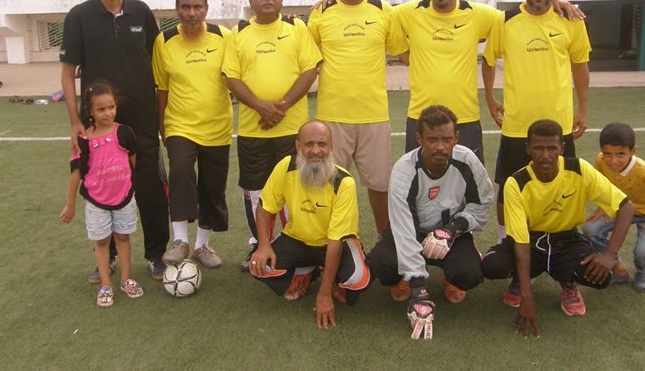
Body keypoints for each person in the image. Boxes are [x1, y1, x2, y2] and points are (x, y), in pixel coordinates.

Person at [59, 0, 170, 282]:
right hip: (99, 125)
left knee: (150, 189)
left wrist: (161, 116)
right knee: (102, 188)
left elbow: (158, 65)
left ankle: (156, 254)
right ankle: (106, 259)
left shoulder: (141, 12)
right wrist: (76, 122)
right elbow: (67, 74)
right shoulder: (79, 16)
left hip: (142, 120)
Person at [481, 119, 635, 339]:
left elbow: (626, 207)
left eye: (552, 148)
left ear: (562, 148)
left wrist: (610, 255)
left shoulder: (579, 169)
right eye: (538, 148)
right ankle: (521, 279)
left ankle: (568, 280)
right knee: (491, 266)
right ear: (528, 149)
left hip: (567, 241)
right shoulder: (516, 183)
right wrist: (527, 296)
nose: (545, 155)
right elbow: (521, 241)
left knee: (601, 278)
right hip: (530, 242)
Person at [482, 0, 591, 243]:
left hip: (559, 123)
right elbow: (489, 60)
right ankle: (506, 241)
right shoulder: (506, 21)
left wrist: (583, 109)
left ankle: (563, 242)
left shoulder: (571, 20)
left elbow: (580, 65)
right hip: (517, 125)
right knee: (509, 187)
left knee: (564, 185)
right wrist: (490, 97)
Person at [222, 0, 322, 272]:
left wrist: (282, 106)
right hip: (253, 130)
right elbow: (231, 77)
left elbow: (310, 70)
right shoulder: (238, 33)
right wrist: (260, 106)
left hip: (292, 130)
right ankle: (260, 245)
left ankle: (295, 247)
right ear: (250, 1)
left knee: (296, 190)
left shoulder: (297, 28)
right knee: (255, 191)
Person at [368, 105, 493, 338]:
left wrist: (455, 228)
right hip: (412, 231)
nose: (440, 147)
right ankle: (408, 275)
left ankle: (452, 276)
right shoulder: (404, 170)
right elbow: (403, 229)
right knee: (381, 264)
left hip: (451, 233)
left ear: (456, 138)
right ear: (419, 139)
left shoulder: (467, 160)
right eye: (432, 139)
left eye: (447, 139)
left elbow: (483, 203)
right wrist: (419, 291)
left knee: (469, 274)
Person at [307, 0, 409, 236]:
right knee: (329, 186)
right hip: (332, 117)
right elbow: (306, 58)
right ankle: (330, 242)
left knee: (379, 185)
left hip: (373, 116)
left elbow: (406, 53)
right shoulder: (321, 13)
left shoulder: (384, 11)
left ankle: (385, 240)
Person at [249, 121, 372, 329]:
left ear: (331, 146)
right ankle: (306, 272)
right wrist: (263, 245)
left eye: (322, 144)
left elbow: (335, 240)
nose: (316, 151)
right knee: (258, 265)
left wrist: (324, 295)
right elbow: (264, 207)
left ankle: (332, 280)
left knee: (358, 280)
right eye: (309, 144)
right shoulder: (286, 166)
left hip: (334, 244)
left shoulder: (343, 182)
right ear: (298, 147)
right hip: (297, 239)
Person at [152, 0, 232, 269]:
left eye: (197, 7)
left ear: (206, 9)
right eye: (185, 7)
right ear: (177, 10)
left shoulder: (224, 36)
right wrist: (162, 125)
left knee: (212, 187)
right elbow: (162, 88)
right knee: (181, 172)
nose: (191, 13)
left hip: (218, 127)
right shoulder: (164, 40)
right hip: (180, 125)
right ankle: (180, 241)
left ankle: (201, 245)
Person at [395, 0, 496, 160]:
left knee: (467, 179)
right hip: (421, 117)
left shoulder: (479, 14)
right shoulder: (409, 13)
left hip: (464, 117)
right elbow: (371, 12)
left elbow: (519, 17)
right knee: (419, 178)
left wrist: (555, 2)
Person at [60, 82, 144, 307]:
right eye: (101, 109)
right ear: (90, 111)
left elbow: (132, 161)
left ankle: (126, 279)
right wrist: (70, 205)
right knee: (102, 240)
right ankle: (105, 284)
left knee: (123, 237)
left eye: (111, 107)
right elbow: (76, 173)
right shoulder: (84, 140)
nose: (107, 113)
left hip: (123, 197)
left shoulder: (124, 132)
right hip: (97, 201)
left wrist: (126, 185)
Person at [582, 122, 645, 292]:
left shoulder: (642, 171)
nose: (613, 161)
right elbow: (599, 186)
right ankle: (617, 267)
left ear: (633, 151)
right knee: (590, 229)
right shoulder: (600, 161)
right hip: (619, 209)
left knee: (643, 251)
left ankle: (641, 272)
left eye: (620, 154)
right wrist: (604, 206)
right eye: (607, 154)